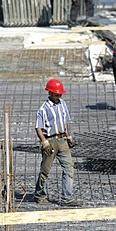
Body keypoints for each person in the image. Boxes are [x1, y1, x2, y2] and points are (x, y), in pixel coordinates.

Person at [34, 79, 83, 207]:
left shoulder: (62, 104)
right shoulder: (43, 109)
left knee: (69, 168)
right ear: (49, 93)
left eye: (60, 94)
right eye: (56, 95)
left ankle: (67, 198)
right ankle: (39, 194)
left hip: (62, 140)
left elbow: (65, 122)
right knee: (45, 170)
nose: (59, 97)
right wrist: (44, 142)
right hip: (50, 141)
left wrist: (68, 136)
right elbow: (38, 127)